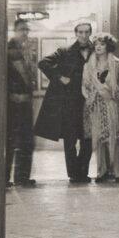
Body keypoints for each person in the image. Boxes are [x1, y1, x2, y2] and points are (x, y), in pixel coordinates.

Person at [36, 22, 94, 183]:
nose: (83, 35)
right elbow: (43, 63)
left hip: (89, 102)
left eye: (86, 32)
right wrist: (60, 77)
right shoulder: (65, 51)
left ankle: (83, 172)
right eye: (80, 32)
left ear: (90, 33)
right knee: (70, 140)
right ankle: (74, 174)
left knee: (88, 139)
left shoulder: (96, 50)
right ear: (76, 33)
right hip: (70, 103)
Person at [83, 32, 119, 183]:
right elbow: (85, 86)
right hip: (96, 105)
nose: (98, 47)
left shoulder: (118, 64)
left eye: (102, 44)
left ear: (108, 46)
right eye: (96, 44)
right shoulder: (89, 65)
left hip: (112, 104)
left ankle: (117, 171)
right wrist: (93, 95)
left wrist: (112, 94)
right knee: (99, 138)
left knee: (115, 137)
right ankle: (101, 171)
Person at [6, 20, 36, 188]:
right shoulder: (8, 50)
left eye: (27, 30)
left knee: (26, 141)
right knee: (11, 140)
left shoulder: (24, 50)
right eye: (21, 29)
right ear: (14, 30)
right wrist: (12, 94)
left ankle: (22, 177)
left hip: (24, 102)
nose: (25, 33)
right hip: (14, 103)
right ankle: (9, 177)